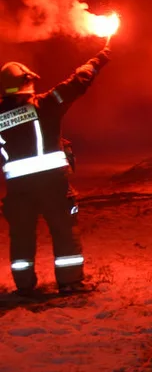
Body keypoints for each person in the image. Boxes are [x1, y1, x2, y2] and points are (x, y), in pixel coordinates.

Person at [0, 48, 111, 295]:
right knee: (64, 230)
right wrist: (98, 60)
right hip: (52, 184)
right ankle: (70, 282)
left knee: (20, 237)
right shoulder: (44, 105)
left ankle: (24, 286)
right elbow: (76, 84)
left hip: (18, 190)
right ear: (26, 82)